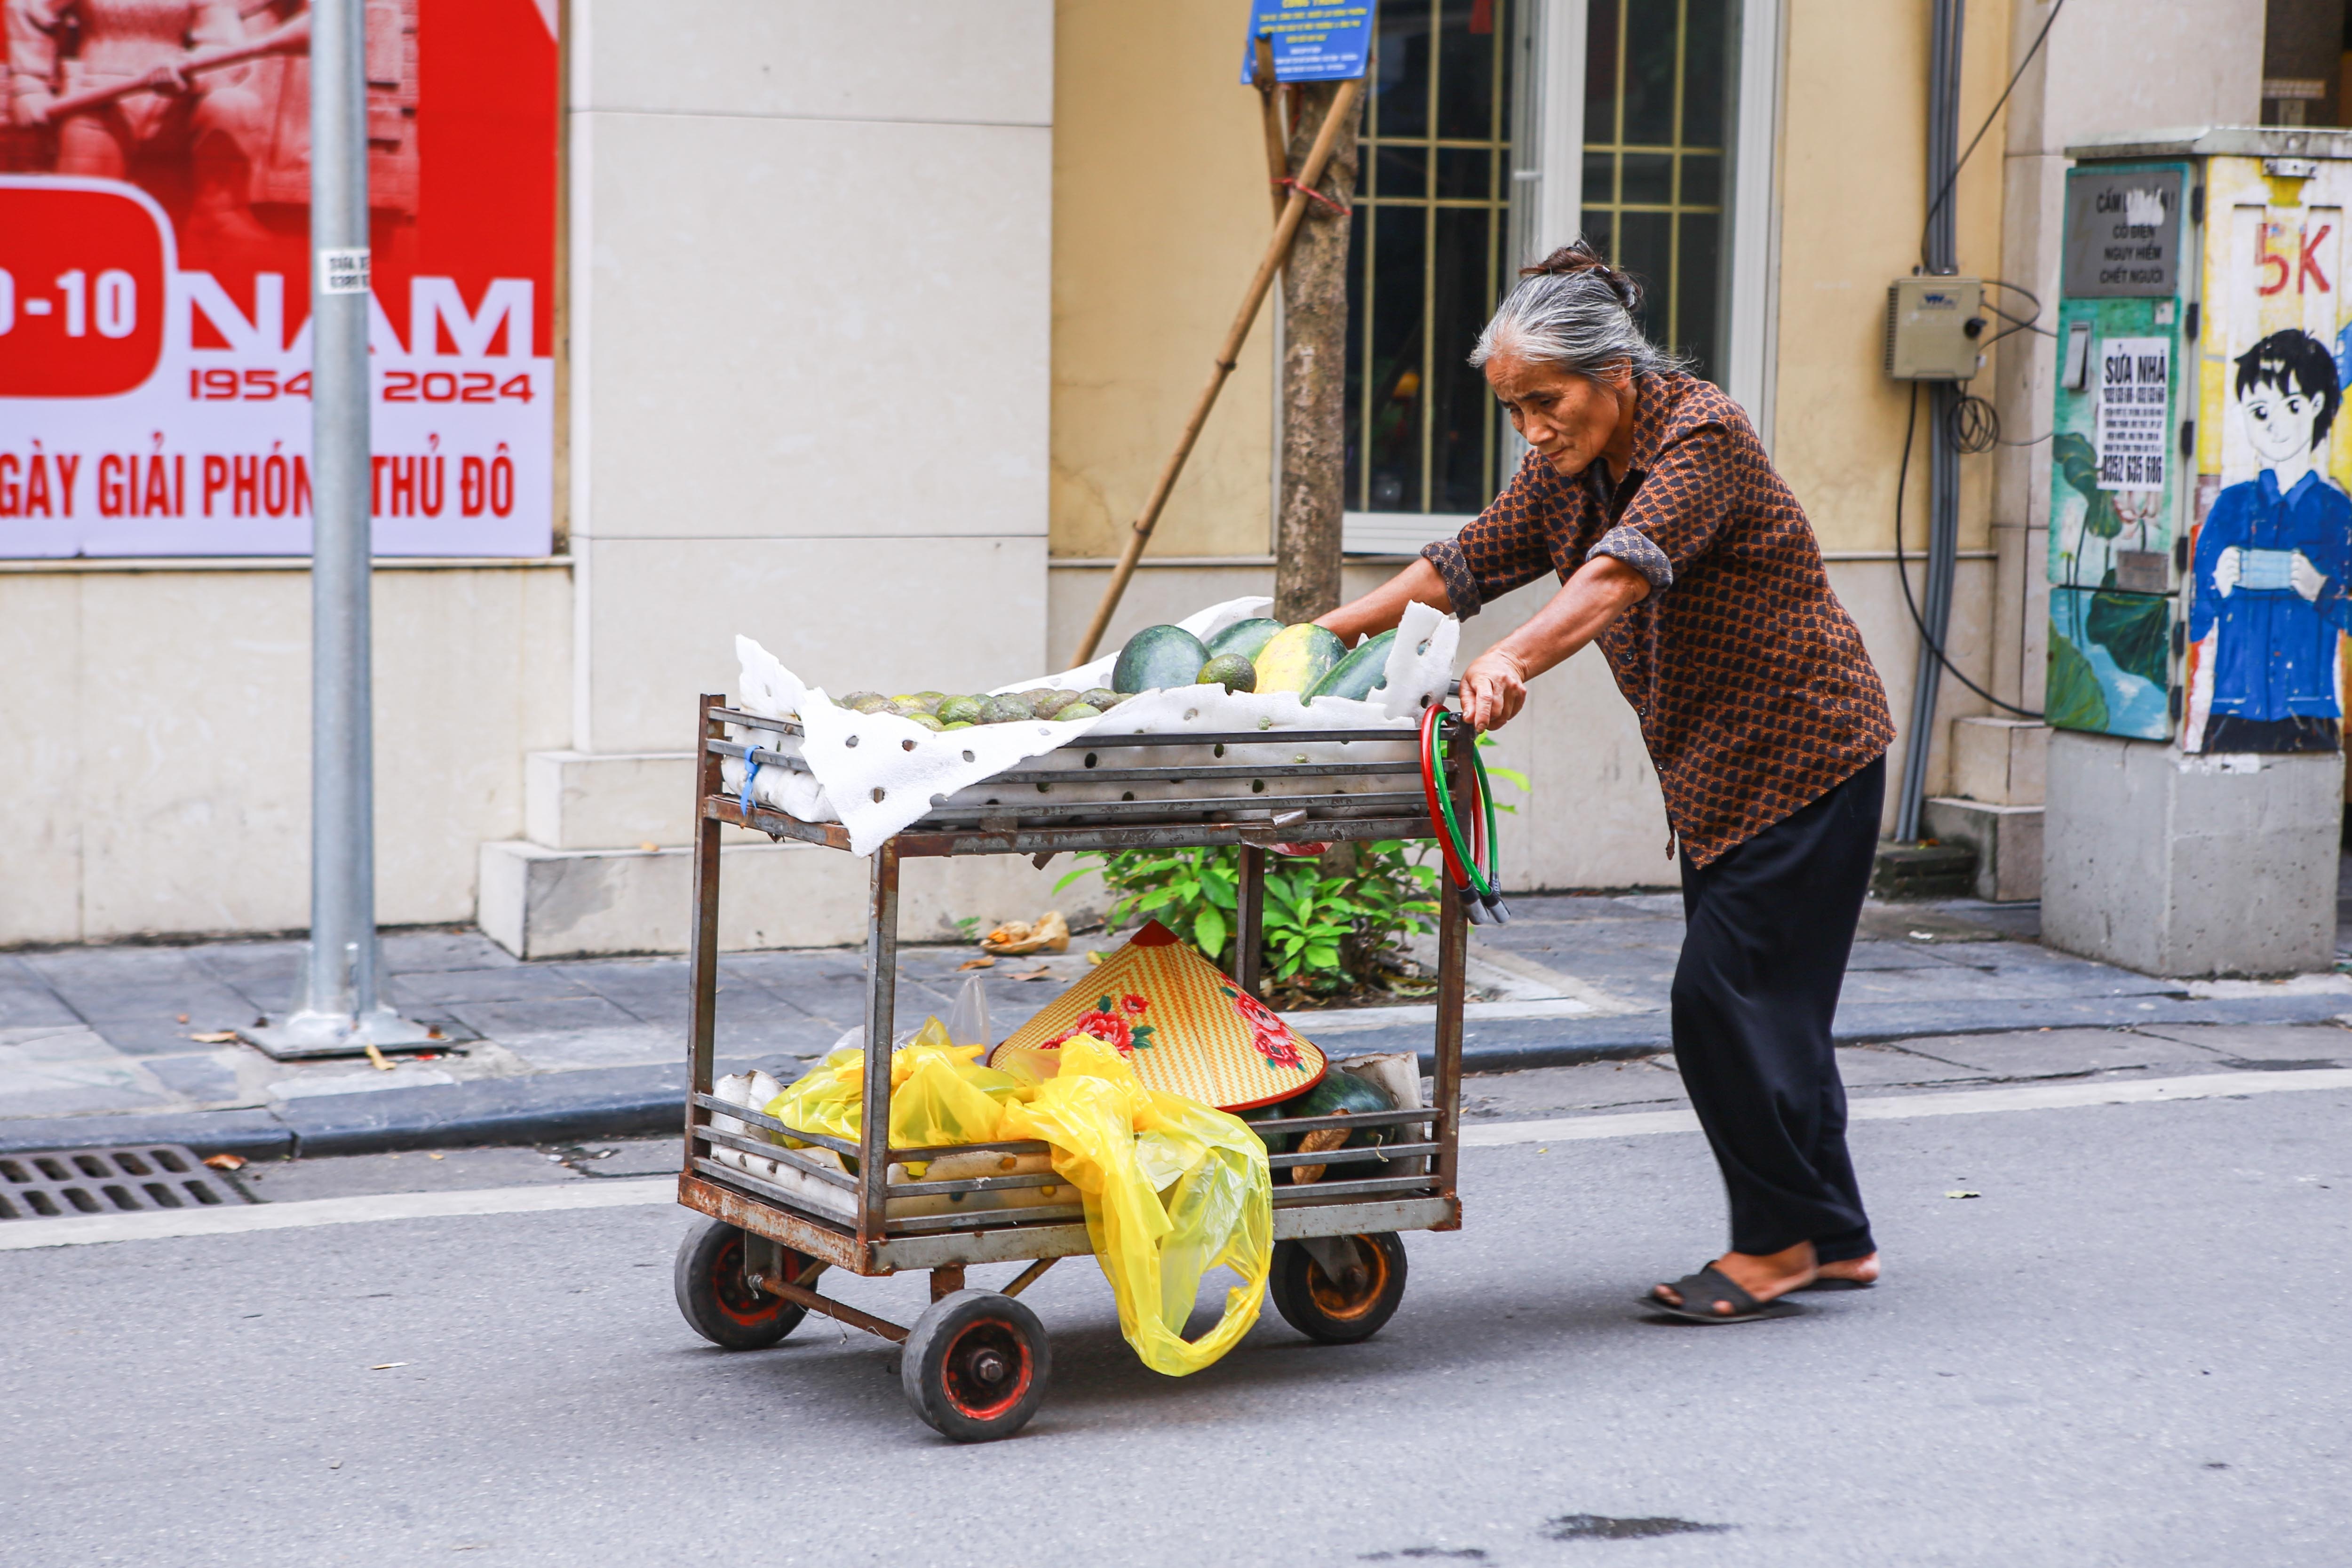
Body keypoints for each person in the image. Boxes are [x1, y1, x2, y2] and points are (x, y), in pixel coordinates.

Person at [1316, 242, 1896, 1323]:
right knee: (1776, 1008)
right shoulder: (1561, 471)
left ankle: (1775, 1246)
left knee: (1722, 1005)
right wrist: (1321, 633)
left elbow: (1617, 574)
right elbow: (1464, 564)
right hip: (1719, 776)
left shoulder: (1701, 436)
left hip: (1807, 754)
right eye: (1515, 411)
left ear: (1614, 373)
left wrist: (1509, 662)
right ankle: (1837, 1236)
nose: (1534, 430)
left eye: (1548, 402)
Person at [2186, 329, 2352, 754]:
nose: (2276, 424)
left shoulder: (2337, 511)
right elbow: (2192, 619)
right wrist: (2215, 588)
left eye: (2293, 406)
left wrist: (2321, 591)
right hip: (2231, 713)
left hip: (2308, 714)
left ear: (2316, 407)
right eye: (2260, 411)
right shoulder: (2231, 506)